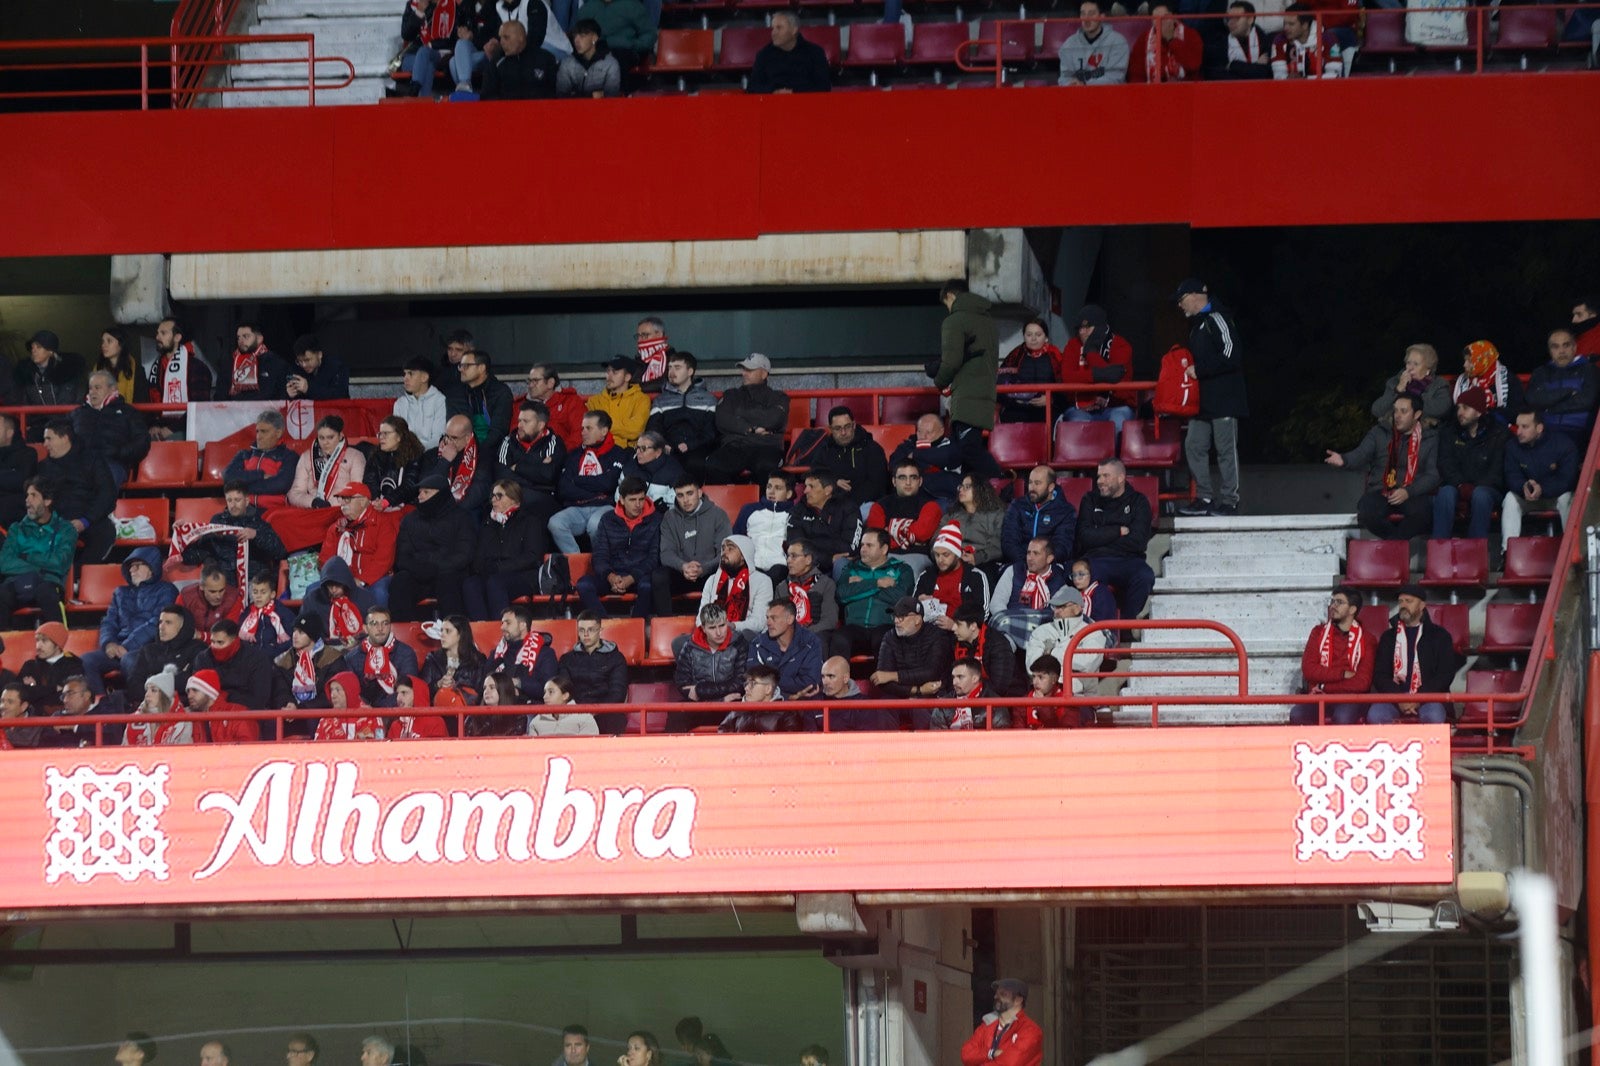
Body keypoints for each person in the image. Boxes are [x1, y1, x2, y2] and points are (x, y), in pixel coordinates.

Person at [1174, 278, 1247, 517]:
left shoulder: (1218, 317)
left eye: (1182, 299)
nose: (1180, 305)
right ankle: (1204, 497)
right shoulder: (1198, 324)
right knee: (1194, 445)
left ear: (1196, 296)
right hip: (1203, 402)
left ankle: (1230, 500)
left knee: (1226, 449)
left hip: (1224, 398)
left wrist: (1201, 369)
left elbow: (1232, 353)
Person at [1325, 393, 1439, 540]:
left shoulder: (1429, 438)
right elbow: (1361, 453)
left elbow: (1432, 475)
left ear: (1417, 414)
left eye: (1403, 411)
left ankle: (1394, 544)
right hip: (1381, 490)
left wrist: (1408, 492)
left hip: (1412, 492)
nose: (1397, 415)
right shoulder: (1380, 433)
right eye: (1395, 410)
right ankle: (1395, 543)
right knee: (1367, 513)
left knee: (1424, 514)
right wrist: (1344, 459)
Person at [82, 546, 175, 696]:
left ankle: (136, 705)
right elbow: (109, 621)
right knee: (87, 660)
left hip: (147, 649)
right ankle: (103, 704)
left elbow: (157, 622)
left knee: (130, 660)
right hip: (119, 648)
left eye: (137, 566)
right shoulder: (120, 592)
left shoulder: (166, 590)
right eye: (130, 566)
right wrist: (108, 643)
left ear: (151, 567)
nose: (132, 570)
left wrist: (127, 646)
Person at [934, 279, 999, 479]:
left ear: (950, 296)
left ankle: (1002, 482)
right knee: (967, 452)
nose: (948, 309)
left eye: (946, 304)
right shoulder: (987, 320)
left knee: (968, 450)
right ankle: (980, 497)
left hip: (967, 395)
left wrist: (939, 380)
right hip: (985, 391)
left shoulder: (955, 321)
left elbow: (951, 362)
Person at [1076, 458, 1155, 620]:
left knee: (1145, 576)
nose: (1100, 481)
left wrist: (1100, 535)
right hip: (1096, 559)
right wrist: (1117, 531)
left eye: (1106, 476)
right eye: (1098, 476)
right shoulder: (1090, 500)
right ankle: (1096, 626)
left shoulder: (1138, 502)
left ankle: (1126, 623)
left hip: (1129, 560)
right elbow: (1084, 537)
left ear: (1121, 478)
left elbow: (1138, 542)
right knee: (1087, 576)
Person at [390, 474, 476, 621]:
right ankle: (403, 633)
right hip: (418, 574)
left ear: (441, 494)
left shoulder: (462, 517)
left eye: (426, 492)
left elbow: (464, 554)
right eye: (420, 492)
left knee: (449, 581)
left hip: (449, 573)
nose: (420, 496)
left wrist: (437, 566)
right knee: (400, 581)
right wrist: (422, 569)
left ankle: (454, 632)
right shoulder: (410, 520)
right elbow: (403, 557)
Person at [1369, 586, 1459, 725]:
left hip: (1429, 699)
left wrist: (1418, 698)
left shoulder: (1440, 636)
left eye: (1408, 601)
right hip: (1394, 699)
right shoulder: (1388, 637)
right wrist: (1400, 698)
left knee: (1434, 715)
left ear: (1422, 605)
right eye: (1401, 601)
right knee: (1376, 715)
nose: (1403, 605)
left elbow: (1445, 674)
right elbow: (1380, 675)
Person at [464, 479, 551, 620]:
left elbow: (532, 556)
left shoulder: (530, 521)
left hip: (523, 575)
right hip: (493, 573)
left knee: (496, 583)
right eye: (492, 495)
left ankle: (500, 630)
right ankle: (481, 629)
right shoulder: (488, 523)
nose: (493, 499)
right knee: (471, 584)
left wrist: (499, 567)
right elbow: (479, 555)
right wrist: (482, 568)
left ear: (513, 498)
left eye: (499, 495)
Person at [578, 476, 663, 617]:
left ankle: (635, 629)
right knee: (583, 585)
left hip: (639, 576)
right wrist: (611, 576)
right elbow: (599, 555)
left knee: (648, 586)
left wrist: (631, 578)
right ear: (622, 500)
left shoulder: (656, 520)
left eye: (641, 499)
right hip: (612, 575)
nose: (638, 505)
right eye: (632, 500)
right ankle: (606, 626)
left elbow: (654, 558)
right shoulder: (607, 519)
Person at [1292, 585, 1376, 725]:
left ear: (1352, 609)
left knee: (1343, 717)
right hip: (1318, 698)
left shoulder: (1367, 639)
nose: (1333, 606)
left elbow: (1362, 683)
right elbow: (1309, 670)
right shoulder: (1318, 633)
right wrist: (1342, 674)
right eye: (1332, 601)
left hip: (1350, 699)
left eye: (1339, 602)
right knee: (1297, 714)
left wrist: (1325, 687)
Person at [1432, 388, 1507, 541]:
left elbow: (1498, 470)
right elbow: (1445, 463)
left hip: (1488, 488)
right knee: (1445, 492)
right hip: (1458, 485)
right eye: (1458, 407)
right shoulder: (1449, 432)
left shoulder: (1499, 434)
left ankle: (1475, 548)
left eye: (1465, 408)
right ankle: (1439, 546)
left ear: (1479, 412)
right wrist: (1460, 484)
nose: (1460, 412)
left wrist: (1477, 487)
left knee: (1481, 495)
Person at [39, 417, 118, 563]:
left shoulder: (92, 460)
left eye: (49, 439)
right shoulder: (43, 468)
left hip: (88, 518)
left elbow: (107, 493)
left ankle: (81, 577)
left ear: (65, 438)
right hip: (55, 522)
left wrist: (85, 520)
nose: (45, 444)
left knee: (105, 532)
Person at [0, 479, 75, 628]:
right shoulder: (17, 528)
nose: (27, 500)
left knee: (47, 593)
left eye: (33, 495)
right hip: (16, 582)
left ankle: (59, 646)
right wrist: (40, 568)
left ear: (47, 501)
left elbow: (60, 563)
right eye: (27, 495)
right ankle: (5, 648)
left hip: (49, 584)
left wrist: (27, 557)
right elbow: (4, 563)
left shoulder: (66, 529)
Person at [705, 353, 790, 485]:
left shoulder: (778, 397)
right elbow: (723, 420)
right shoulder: (731, 394)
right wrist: (751, 428)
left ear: (764, 374)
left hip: (766, 447)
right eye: (743, 369)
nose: (744, 373)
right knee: (713, 465)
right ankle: (726, 504)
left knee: (766, 468)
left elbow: (774, 419)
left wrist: (739, 414)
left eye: (749, 370)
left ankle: (763, 505)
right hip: (735, 446)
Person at [1502, 407, 1579, 549]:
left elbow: (1567, 480)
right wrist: (1524, 486)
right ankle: (1507, 552)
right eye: (1518, 426)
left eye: (1525, 427)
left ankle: (1572, 551)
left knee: (1568, 498)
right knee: (1510, 499)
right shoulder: (1512, 446)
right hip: (1528, 497)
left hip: (1554, 497)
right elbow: (1511, 475)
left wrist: (1542, 489)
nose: (1518, 432)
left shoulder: (1563, 444)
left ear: (1539, 428)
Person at [182, 480, 288, 581]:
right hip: (223, 583)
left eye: (237, 500)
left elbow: (280, 552)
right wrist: (183, 535)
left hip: (253, 582)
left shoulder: (258, 523)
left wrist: (256, 535)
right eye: (229, 500)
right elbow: (197, 553)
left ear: (246, 501)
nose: (233, 505)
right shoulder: (218, 522)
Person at [552, 410, 626, 553]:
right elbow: (563, 488)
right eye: (582, 428)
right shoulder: (574, 454)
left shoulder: (618, 453)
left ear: (604, 431)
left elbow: (609, 483)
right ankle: (576, 563)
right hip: (577, 507)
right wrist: (595, 491)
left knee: (595, 524)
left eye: (589, 428)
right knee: (555, 523)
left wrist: (577, 480)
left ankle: (601, 563)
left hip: (605, 506)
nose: (583, 432)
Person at [1057, 305, 1135, 432]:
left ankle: (1114, 453)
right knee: (1077, 424)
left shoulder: (1120, 345)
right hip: (1081, 408)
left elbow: (1121, 384)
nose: (1082, 332)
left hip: (1116, 406)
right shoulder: (1073, 345)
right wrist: (1099, 375)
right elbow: (1068, 377)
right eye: (1080, 328)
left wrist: (1091, 353)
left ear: (1100, 328)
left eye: (1087, 327)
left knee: (1119, 423)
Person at [1024, 586, 1108, 700]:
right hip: (1043, 697)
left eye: (1062, 606)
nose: (1056, 611)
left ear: (1077, 608)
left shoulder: (1092, 632)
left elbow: (1088, 664)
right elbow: (1032, 666)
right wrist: (1071, 661)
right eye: (1055, 606)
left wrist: (1051, 653)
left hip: (1081, 698)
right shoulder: (1041, 631)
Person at [838, 528, 913, 655]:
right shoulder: (851, 568)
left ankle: (882, 675)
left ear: (884, 549)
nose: (863, 549)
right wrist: (877, 583)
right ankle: (840, 675)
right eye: (862, 545)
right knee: (839, 639)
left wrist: (860, 585)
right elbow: (842, 594)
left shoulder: (901, 569)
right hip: (854, 627)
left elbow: (901, 598)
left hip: (885, 626)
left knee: (884, 640)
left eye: (869, 545)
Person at [866, 460, 944, 582]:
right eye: (902, 478)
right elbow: (875, 539)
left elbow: (921, 534)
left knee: (907, 574)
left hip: (917, 556)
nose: (908, 482)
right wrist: (909, 536)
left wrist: (890, 533)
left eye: (913, 478)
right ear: (894, 481)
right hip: (884, 556)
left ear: (920, 481)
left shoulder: (931, 506)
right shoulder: (879, 505)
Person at [319, 483, 401, 595]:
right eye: (341, 499)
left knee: (379, 593)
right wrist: (334, 581)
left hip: (375, 579)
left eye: (347, 499)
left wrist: (361, 580)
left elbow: (383, 560)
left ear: (363, 501)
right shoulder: (336, 527)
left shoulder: (382, 524)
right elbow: (326, 559)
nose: (342, 503)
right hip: (341, 581)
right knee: (312, 591)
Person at [644, 351, 717, 475]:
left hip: (697, 449)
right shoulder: (661, 400)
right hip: (668, 448)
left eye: (677, 368)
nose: (671, 373)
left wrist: (690, 445)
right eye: (669, 368)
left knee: (695, 463)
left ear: (690, 372)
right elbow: (653, 428)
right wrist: (664, 444)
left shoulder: (708, 399)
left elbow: (711, 432)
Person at [989, 536, 1068, 647]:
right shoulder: (1014, 571)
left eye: (1036, 553)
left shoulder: (1058, 580)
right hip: (1012, 627)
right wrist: (1010, 623)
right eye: (1028, 553)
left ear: (1049, 558)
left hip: (1043, 631)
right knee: (1003, 643)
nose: (1030, 558)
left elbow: (1060, 613)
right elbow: (996, 604)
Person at [1525, 328, 1599, 447]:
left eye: (1566, 345)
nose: (1562, 351)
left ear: (1574, 347)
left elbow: (1587, 401)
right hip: (1545, 432)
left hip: (1580, 433)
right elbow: (1533, 400)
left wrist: (1550, 408)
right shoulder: (1541, 373)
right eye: (1555, 347)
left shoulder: (1589, 370)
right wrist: (1569, 392)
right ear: (1550, 351)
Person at [73, 370, 148, 485]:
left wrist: (118, 453)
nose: (92, 392)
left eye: (97, 388)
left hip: (112, 463)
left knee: (103, 480)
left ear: (112, 389)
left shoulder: (128, 413)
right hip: (80, 464)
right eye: (90, 388)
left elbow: (142, 442)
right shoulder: (77, 414)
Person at [872, 596, 953, 702]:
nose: (896, 621)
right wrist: (918, 690)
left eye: (902, 616)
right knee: (883, 705)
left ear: (917, 620)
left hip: (933, 695)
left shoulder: (937, 635)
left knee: (920, 707)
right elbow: (881, 679)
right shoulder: (890, 637)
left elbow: (931, 673)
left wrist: (894, 676)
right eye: (895, 616)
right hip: (904, 693)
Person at [676, 603, 751, 717]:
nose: (719, 633)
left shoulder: (738, 643)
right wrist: (720, 700)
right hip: (702, 705)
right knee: (676, 714)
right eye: (712, 627)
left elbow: (740, 683)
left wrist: (700, 690)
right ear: (703, 628)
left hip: (732, 703)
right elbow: (683, 685)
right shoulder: (690, 647)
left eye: (722, 625)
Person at [196, 618, 281, 716]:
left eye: (220, 642)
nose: (215, 647)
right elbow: (198, 694)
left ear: (234, 640)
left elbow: (259, 699)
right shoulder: (203, 658)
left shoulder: (257, 659)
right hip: (210, 715)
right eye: (212, 642)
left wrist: (225, 697)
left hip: (246, 716)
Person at [558, 611, 627, 729]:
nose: (586, 634)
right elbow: (564, 690)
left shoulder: (616, 658)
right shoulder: (567, 659)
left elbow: (617, 693)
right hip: (575, 713)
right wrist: (579, 712)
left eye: (591, 630)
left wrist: (594, 712)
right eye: (581, 630)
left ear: (600, 631)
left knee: (613, 719)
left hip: (606, 713)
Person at [811, 405, 890, 509]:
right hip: (833, 506)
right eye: (838, 428)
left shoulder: (872, 449)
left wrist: (849, 507)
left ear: (854, 425)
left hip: (865, 506)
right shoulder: (824, 450)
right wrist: (833, 481)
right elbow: (815, 475)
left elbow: (878, 485)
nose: (843, 433)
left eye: (847, 426)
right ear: (830, 429)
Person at [499, 400, 566, 520]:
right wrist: (535, 473)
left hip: (543, 499)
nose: (519, 425)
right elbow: (502, 475)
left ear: (541, 425)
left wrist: (517, 467)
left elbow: (548, 475)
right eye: (519, 420)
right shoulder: (508, 441)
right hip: (512, 495)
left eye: (526, 421)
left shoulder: (553, 442)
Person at [343, 606, 419, 709]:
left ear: (390, 626)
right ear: (365, 628)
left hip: (395, 711)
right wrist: (363, 707)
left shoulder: (406, 653)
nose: (380, 628)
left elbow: (408, 691)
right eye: (374, 624)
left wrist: (378, 712)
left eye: (385, 623)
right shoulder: (352, 658)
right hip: (362, 713)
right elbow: (350, 691)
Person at [775, 539, 842, 656]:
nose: (788, 560)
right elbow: (776, 618)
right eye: (788, 556)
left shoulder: (826, 584)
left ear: (808, 559)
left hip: (816, 633)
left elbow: (830, 621)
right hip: (787, 633)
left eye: (794, 556)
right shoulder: (782, 587)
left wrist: (802, 633)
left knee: (819, 640)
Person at [123, 605, 206, 698]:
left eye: (168, 623)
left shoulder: (198, 649)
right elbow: (134, 686)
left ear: (182, 627)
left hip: (182, 707)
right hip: (149, 707)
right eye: (160, 622)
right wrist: (175, 679)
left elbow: (192, 683)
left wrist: (151, 681)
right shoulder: (148, 650)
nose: (161, 627)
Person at [916, 523, 990, 624]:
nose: (940, 560)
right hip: (930, 633)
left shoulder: (975, 576)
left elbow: (983, 613)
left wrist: (955, 626)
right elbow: (910, 611)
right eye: (937, 555)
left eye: (945, 555)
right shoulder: (926, 576)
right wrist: (918, 603)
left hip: (962, 634)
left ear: (957, 554)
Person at [788, 473, 862, 574]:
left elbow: (850, 549)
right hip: (809, 563)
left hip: (836, 564)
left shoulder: (849, 508)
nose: (805, 491)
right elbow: (796, 546)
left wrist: (811, 543)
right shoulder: (798, 509)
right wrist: (828, 558)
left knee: (842, 563)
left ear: (828, 490)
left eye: (811, 486)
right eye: (806, 486)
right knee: (796, 560)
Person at [1002, 465, 1075, 565]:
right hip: (1019, 563)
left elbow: (1062, 547)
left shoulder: (1065, 511)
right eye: (1030, 482)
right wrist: (1028, 563)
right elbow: (1009, 542)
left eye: (1037, 483)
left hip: (1051, 565)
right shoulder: (1017, 505)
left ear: (1051, 487)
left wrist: (1041, 563)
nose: (1032, 487)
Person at [749, 600, 823, 698]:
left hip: (805, 705)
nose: (768, 623)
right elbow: (754, 682)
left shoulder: (811, 642)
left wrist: (771, 681)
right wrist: (789, 697)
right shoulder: (758, 644)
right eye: (767, 618)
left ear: (790, 619)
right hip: (770, 707)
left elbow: (810, 683)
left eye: (773, 618)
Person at [288, 416, 366, 509]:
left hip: (342, 511)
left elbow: (357, 492)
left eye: (330, 437)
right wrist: (313, 502)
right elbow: (294, 493)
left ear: (340, 436)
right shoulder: (307, 457)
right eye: (321, 438)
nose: (325, 442)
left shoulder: (355, 456)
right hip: (314, 510)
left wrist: (331, 504)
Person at [960, 979, 1043, 1066]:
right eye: (996, 993)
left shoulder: (1031, 1030)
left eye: (1003, 994)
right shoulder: (986, 1026)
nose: (996, 997)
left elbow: (1010, 1063)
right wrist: (991, 1053)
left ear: (1018, 1000)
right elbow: (966, 1054)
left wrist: (980, 1058)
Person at [427, 413, 495, 517]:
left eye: (454, 438)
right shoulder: (435, 453)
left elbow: (479, 490)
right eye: (446, 436)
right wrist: (444, 461)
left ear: (467, 438)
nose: (448, 442)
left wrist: (451, 511)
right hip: (437, 508)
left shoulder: (483, 455)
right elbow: (427, 486)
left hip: (466, 510)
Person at [449, 348, 516, 452]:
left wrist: (478, 452)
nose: (461, 369)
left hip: (493, 451)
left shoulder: (500, 392)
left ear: (481, 368)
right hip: (462, 450)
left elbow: (498, 431)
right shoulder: (457, 394)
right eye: (460, 366)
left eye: (466, 366)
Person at [1370, 343, 1452, 428]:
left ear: (1428, 368)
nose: (1410, 368)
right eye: (1408, 363)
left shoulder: (1439, 384)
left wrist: (1417, 395)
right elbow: (1377, 410)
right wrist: (1398, 390)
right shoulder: (1394, 382)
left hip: (1425, 433)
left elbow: (1441, 409)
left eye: (1416, 364)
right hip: (1392, 432)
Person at [300, 557, 376, 648]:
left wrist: (364, 632)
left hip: (360, 646)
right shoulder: (313, 599)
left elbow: (376, 628)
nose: (334, 590)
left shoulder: (365, 598)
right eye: (330, 585)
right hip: (324, 648)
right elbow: (302, 624)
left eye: (338, 585)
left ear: (346, 582)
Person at [487, 604, 558, 701]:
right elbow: (483, 682)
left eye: (508, 623)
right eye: (502, 623)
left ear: (522, 625)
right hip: (496, 708)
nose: (502, 627)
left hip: (532, 710)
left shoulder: (545, 654)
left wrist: (517, 683)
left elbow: (549, 689)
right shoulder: (497, 653)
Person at [748, 11, 831, 93]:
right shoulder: (764, 54)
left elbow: (823, 87)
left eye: (779, 28)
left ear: (794, 30)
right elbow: (752, 88)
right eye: (773, 28)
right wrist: (773, 92)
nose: (773, 32)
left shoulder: (815, 53)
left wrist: (794, 93)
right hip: (772, 104)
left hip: (806, 103)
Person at [223, 410, 298, 502]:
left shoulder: (289, 457)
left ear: (278, 433)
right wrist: (260, 475)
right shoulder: (244, 454)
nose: (258, 436)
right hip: (244, 510)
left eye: (264, 431)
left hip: (273, 511)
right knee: (217, 517)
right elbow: (228, 477)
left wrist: (241, 487)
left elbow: (280, 485)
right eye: (257, 431)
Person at [889, 414, 964, 503]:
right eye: (920, 431)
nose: (923, 436)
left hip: (942, 498)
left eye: (928, 432)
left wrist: (915, 455)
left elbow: (946, 457)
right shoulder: (907, 446)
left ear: (941, 431)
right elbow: (894, 466)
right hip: (909, 497)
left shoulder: (952, 447)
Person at [734, 472, 796, 577]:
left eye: (778, 488)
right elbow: (737, 538)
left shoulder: (795, 514)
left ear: (789, 494)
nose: (771, 492)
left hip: (780, 566)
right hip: (751, 566)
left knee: (778, 572)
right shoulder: (749, 509)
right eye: (769, 487)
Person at [997, 319, 1059, 424]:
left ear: (1046, 338)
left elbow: (1064, 385)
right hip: (1018, 408)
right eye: (1029, 335)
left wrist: (1051, 399)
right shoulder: (1016, 355)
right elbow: (1001, 382)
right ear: (1024, 337)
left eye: (1038, 335)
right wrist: (1014, 400)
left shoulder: (1055, 356)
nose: (1033, 339)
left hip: (1047, 408)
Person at [951, 603, 1019, 698]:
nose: (953, 628)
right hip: (967, 697)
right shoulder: (956, 643)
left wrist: (970, 692)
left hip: (1000, 701)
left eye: (958, 624)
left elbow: (999, 687)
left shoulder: (998, 644)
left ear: (973, 626)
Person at [480, 18, 559, 97]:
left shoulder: (545, 59)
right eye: (500, 38)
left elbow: (551, 95)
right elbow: (487, 96)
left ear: (521, 38)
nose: (502, 42)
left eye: (506, 37)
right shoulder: (496, 62)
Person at [814, 653, 894, 731]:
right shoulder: (814, 703)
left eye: (831, 676)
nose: (825, 682)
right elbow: (808, 735)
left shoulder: (865, 706)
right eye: (823, 677)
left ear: (845, 678)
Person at [944, 474, 1006, 576]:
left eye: (967, 487)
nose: (961, 490)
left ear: (980, 489)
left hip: (984, 562)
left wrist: (977, 557)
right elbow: (937, 539)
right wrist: (945, 555)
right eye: (961, 486)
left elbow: (998, 545)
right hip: (953, 560)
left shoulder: (997, 514)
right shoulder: (952, 514)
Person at [421, 614, 489, 707]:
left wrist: (456, 687)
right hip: (437, 713)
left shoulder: (477, 660)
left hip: (467, 715)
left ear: (460, 634)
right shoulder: (432, 659)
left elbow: (481, 693)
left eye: (448, 631)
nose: (442, 635)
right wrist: (437, 684)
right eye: (442, 631)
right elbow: (421, 692)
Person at [1452, 340, 1524, 426]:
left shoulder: (1509, 380)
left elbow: (1516, 411)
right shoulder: (1463, 381)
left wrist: (1491, 415)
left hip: (1500, 430)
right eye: (1465, 361)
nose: (1465, 365)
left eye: (1469, 361)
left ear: (1483, 360)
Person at [148, 317, 214, 410]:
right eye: (157, 333)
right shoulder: (157, 367)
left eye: (163, 333)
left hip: (187, 423)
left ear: (177, 337)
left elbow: (200, 407)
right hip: (159, 423)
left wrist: (175, 425)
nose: (157, 337)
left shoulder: (197, 368)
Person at [1058, 0, 1129, 84]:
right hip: (1077, 95)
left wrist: (1085, 86)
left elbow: (1115, 78)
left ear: (1102, 17)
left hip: (1109, 95)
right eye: (1083, 14)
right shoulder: (1069, 44)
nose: (1086, 19)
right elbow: (1065, 77)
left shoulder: (1118, 42)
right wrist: (1070, 84)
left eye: (1091, 14)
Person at [366, 416, 428, 510]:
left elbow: (410, 486)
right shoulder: (376, 455)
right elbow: (370, 480)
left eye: (386, 433)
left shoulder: (414, 455)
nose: (381, 437)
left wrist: (387, 501)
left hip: (406, 507)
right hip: (379, 505)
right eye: (380, 434)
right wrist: (376, 499)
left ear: (399, 436)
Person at [569, 0, 656, 68]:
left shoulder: (633, 5)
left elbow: (649, 33)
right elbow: (577, 35)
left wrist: (633, 45)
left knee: (616, 60)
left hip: (625, 51)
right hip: (596, 50)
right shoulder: (587, 8)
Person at [18, 621, 82, 713]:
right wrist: (54, 688)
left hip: (63, 718)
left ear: (57, 645)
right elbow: (20, 694)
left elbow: (67, 697)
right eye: (37, 640)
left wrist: (36, 689)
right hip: (32, 719)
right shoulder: (30, 665)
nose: (38, 646)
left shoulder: (74, 666)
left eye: (44, 640)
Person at [588, 356, 650, 450]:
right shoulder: (595, 401)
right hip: (598, 452)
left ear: (627, 377)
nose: (609, 376)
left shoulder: (641, 399)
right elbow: (589, 429)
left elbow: (635, 430)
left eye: (615, 372)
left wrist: (603, 424)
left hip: (627, 453)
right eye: (608, 371)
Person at [15, 329, 87, 410]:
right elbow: (25, 403)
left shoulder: (67, 372)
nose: (33, 350)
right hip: (37, 421)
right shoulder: (27, 374)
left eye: (38, 347)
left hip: (66, 420)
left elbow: (70, 402)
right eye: (32, 347)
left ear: (50, 351)